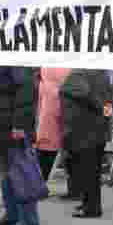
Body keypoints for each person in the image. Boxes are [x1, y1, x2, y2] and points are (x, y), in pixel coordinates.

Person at [0, 65, 41, 225]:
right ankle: (12, 214)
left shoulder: (15, 59)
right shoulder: (1, 57)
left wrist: (19, 125)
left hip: (12, 127)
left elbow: (25, 92)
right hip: (1, 125)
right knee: (6, 173)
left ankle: (28, 219)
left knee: (20, 172)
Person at [60, 69, 113, 218]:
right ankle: (89, 203)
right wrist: (105, 107)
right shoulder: (101, 73)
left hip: (85, 129)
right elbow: (111, 94)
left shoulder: (80, 72)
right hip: (96, 128)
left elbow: (82, 92)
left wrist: (100, 105)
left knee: (87, 170)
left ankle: (91, 208)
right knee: (92, 170)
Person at [34, 67, 72, 195]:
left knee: (46, 147)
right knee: (71, 149)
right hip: (66, 105)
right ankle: (74, 188)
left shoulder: (48, 66)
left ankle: (38, 184)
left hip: (49, 105)